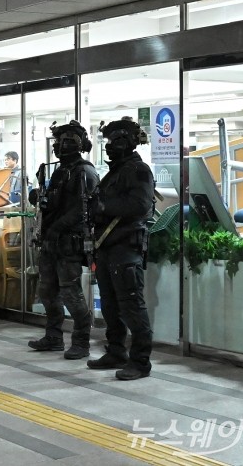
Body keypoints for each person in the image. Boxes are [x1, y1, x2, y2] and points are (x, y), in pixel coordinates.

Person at [88, 116, 154, 380]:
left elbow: (140, 205)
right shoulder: (115, 172)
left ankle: (140, 362)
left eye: (114, 140)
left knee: (132, 306)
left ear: (127, 141)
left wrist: (104, 207)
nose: (108, 146)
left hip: (125, 247)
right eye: (107, 141)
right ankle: (116, 350)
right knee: (110, 305)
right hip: (107, 247)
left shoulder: (138, 170)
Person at [27, 120, 99, 360]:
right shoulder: (58, 170)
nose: (59, 146)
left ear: (78, 144)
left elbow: (84, 209)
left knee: (72, 294)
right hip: (50, 241)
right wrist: (38, 197)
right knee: (47, 292)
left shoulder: (84, 171)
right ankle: (54, 337)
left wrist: (57, 226)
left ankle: (81, 342)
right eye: (58, 142)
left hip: (69, 241)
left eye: (66, 141)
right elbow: (52, 201)